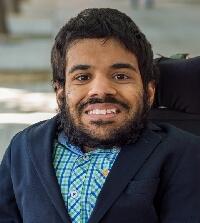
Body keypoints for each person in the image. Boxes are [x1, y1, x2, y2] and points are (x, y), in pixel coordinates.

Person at [0, 8, 200, 223]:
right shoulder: (23, 147)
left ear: (149, 91)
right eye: (83, 77)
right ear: (60, 93)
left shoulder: (183, 153)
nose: (101, 89)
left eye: (120, 76)